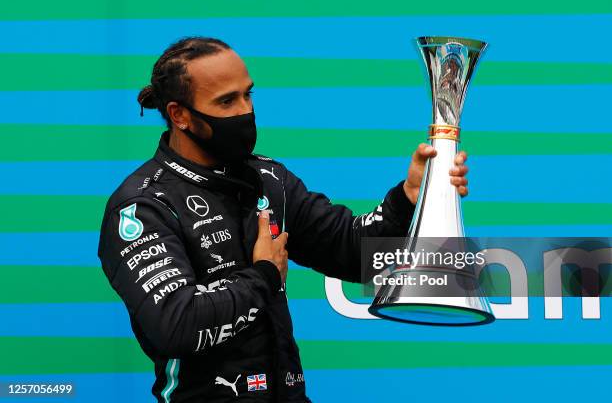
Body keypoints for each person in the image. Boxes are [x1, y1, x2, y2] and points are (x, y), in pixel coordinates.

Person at [97, 36, 469, 403]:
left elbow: (355, 252)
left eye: (248, 95)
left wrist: (409, 198)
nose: (244, 110)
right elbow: (174, 325)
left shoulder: (270, 179)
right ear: (180, 115)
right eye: (226, 101)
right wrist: (263, 275)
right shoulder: (143, 205)